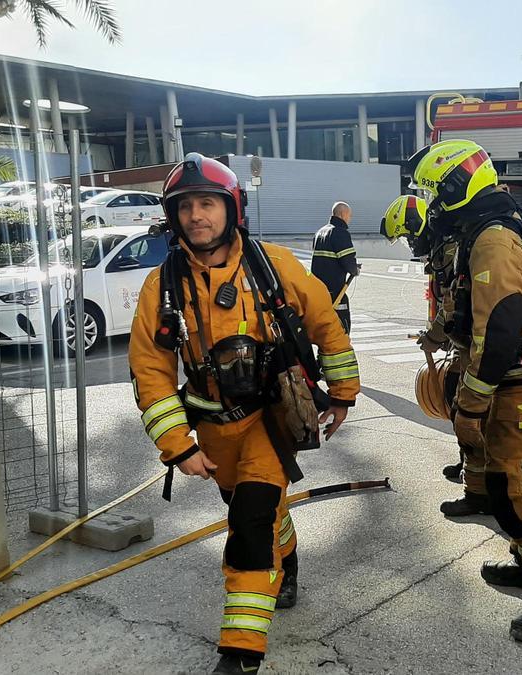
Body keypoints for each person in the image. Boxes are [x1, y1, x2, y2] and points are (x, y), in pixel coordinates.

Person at [129, 153, 360, 675]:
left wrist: (343, 390)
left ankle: (240, 655)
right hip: (214, 433)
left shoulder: (273, 265)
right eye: (185, 206)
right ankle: (291, 564)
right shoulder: (160, 287)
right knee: (264, 512)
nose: (196, 216)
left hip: (270, 421)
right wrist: (178, 444)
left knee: (250, 524)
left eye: (207, 203)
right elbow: (151, 370)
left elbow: (325, 324)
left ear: (231, 208)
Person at [408, 139, 522, 643]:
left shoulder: (492, 241)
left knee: (512, 490)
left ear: (458, 187)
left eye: (438, 192)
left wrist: (471, 401)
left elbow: (499, 333)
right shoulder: (502, 224)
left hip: (519, 381)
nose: (433, 205)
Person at [379, 195, 522, 524]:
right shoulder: (460, 243)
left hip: (497, 355)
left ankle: (489, 495)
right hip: (506, 353)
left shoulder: (459, 248)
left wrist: (433, 338)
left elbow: (455, 306)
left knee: (487, 425)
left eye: (406, 236)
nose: (409, 243)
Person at [312, 201, 359, 331]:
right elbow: (348, 261)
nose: (350, 219)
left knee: (323, 323)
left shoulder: (319, 232)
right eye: (350, 216)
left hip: (319, 289)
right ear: (343, 214)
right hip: (335, 290)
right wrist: (355, 269)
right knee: (340, 324)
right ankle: (340, 348)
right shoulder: (340, 233)